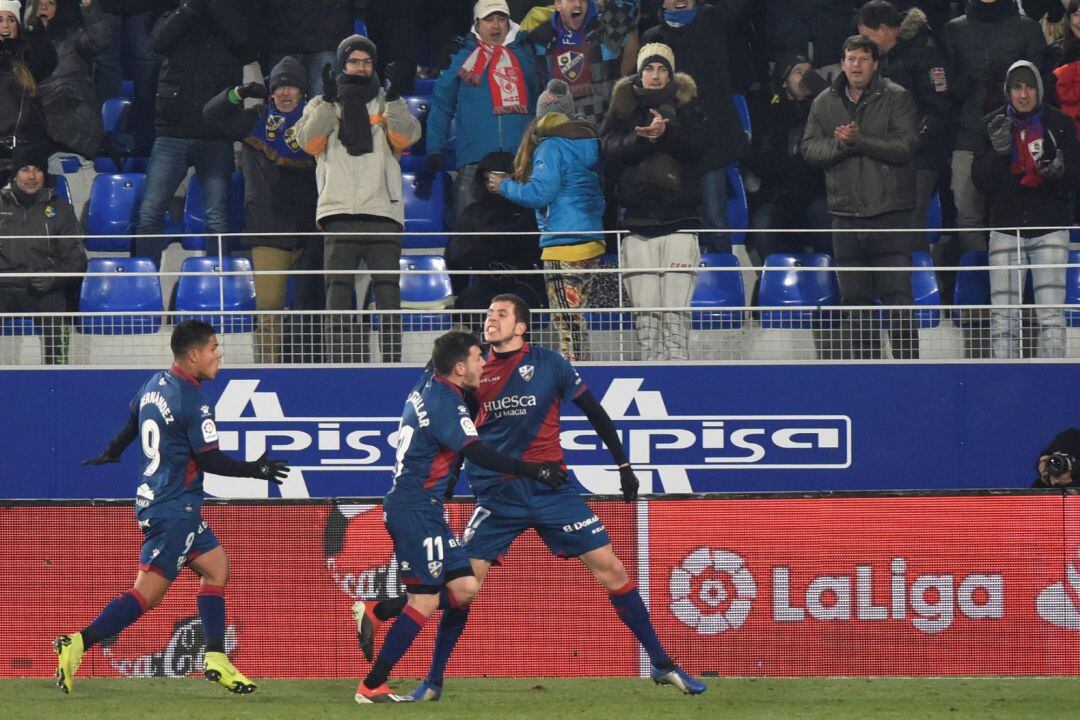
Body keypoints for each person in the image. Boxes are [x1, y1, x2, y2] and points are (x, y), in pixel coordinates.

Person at [357, 294, 706, 702]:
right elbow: (459, 441)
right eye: (489, 312)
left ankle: (661, 663)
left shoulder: (551, 364)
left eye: (501, 314)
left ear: (521, 326)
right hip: (497, 495)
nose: (490, 319)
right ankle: (432, 680)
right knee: (464, 588)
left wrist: (624, 465)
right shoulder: (471, 371)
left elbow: (595, 412)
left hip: (552, 491)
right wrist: (447, 487)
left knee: (612, 569)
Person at [56, 320, 290, 695]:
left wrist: (112, 452)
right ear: (194, 355)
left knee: (216, 567)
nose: (219, 355)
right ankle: (78, 642)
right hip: (174, 508)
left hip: (162, 502)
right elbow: (210, 460)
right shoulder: (194, 401)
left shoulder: (154, 384)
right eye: (213, 348)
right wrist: (255, 469)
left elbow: (132, 423)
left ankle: (216, 657)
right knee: (146, 595)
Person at [354, 330, 568, 703]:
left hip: (425, 507)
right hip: (415, 508)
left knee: (465, 588)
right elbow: (478, 453)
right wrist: (534, 470)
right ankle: (371, 686)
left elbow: (439, 356)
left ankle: (379, 609)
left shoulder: (429, 382)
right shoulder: (446, 404)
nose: (484, 364)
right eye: (476, 358)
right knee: (423, 601)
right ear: (458, 368)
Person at [294, 34, 421, 364]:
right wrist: (327, 102)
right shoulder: (320, 103)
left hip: (383, 211)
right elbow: (308, 142)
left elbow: (406, 138)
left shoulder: (387, 101)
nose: (361, 68)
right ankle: (342, 367)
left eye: (367, 62)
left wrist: (395, 99)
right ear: (342, 64)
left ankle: (392, 365)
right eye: (354, 62)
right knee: (337, 296)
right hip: (339, 211)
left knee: (389, 298)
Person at [802, 34, 920, 360]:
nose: (856, 65)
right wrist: (842, 145)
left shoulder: (898, 97)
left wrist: (860, 140)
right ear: (842, 63)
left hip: (890, 213)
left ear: (875, 64)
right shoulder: (824, 102)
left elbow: (905, 146)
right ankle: (867, 372)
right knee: (855, 302)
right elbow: (809, 149)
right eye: (851, 59)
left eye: (863, 59)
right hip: (845, 216)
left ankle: (909, 371)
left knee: (898, 298)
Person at [203, 56, 318, 364]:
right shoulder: (254, 119)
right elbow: (211, 114)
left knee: (311, 311)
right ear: (270, 93)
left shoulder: (316, 123)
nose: (285, 92)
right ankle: (269, 369)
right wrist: (238, 93)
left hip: (309, 230)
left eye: (291, 86)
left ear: (303, 92)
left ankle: (311, 370)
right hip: (267, 229)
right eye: (279, 86)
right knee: (269, 310)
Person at [133, 0, 263, 269]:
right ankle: (142, 282)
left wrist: (216, 7)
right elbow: (157, 41)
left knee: (217, 217)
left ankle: (218, 284)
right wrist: (190, 8)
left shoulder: (232, 14)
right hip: (171, 131)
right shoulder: (177, 13)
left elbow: (246, 43)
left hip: (216, 133)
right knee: (150, 213)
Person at [600, 42, 707, 361]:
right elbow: (608, 148)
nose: (656, 75)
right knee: (646, 320)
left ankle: (679, 376)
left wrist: (666, 135)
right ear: (639, 73)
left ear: (671, 74)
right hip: (637, 224)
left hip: (681, 223)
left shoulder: (689, 106)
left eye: (662, 69)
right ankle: (653, 373)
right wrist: (641, 139)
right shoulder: (622, 107)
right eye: (649, 68)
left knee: (675, 316)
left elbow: (701, 149)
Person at [487, 79, 605, 361]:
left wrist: (505, 186)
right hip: (591, 241)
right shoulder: (589, 144)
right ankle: (581, 366)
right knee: (575, 316)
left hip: (564, 243)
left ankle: (574, 372)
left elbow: (541, 194)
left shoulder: (551, 146)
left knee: (565, 319)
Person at [972, 60, 1080, 359]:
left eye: (1030, 87)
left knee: (1051, 317)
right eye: (1017, 87)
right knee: (1003, 318)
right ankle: (1003, 378)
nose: (1023, 94)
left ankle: (1051, 379)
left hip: (1050, 229)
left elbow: (1075, 178)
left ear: (1039, 89)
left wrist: (1060, 173)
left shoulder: (1060, 123)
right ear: (1008, 91)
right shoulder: (991, 124)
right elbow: (981, 183)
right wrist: (997, 153)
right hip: (1006, 230)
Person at [641, 0, 753, 253]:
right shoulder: (653, 38)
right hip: (671, 141)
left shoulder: (715, 22)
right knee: (677, 221)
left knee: (715, 217)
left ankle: (723, 271)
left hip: (712, 142)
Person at [943, 0, 1045, 275]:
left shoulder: (1028, 29)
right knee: (968, 218)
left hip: (1018, 136)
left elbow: (1039, 83)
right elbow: (946, 84)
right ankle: (978, 286)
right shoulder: (954, 29)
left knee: (1016, 215)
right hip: (966, 135)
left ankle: (1014, 286)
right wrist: (965, 86)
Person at [426, 0, 540, 229]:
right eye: (489, 19)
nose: (496, 25)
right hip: (474, 161)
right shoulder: (461, 56)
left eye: (501, 18)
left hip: (520, 160)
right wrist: (435, 149)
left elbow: (540, 101)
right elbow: (441, 105)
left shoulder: (527, 53)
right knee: (469, 231)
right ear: (477, 24)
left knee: (522, 233)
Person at [856, 1, 951, 253]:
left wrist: (910, 143)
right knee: (891, 225)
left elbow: (939, 107)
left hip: (920, 158)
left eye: (867, 36)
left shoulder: (926, 52)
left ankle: (917, 276)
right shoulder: (882, 59)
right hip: (888, 158)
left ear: (884, 29)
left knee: (909, 225)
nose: (864, 43)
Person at [0, 143, 86, 365]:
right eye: (25, 169)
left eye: (37, 170)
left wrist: (53, 277)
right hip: (3, 288)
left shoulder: (62, 210)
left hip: (44, 290)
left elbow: (77, 260)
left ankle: (57, 374)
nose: (32, 176)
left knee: (57, 313)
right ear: (14, 174)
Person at [745, 53, 832, 264]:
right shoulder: (769, 113)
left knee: (823, 215)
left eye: (809, 72)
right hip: (779, 194)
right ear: (784, 81)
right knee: (763, 223)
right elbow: (760, 160)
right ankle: (775, 279)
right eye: (798, 72)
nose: (805, 78)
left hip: (817, 193)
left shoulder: (826, 109)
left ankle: (833, 276)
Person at [445, 149, 545, 315]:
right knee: (473, 304)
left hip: (525, 284)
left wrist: (487, 239)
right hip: (484, 285)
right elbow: (458, 255)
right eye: (487, 179)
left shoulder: (529, 211)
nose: (492, 185)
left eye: (500, 179)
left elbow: (532, 248)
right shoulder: (473, 212)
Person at [527, 0, 641, 127]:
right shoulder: (539, 40)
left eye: (583, 0)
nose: (578, 4)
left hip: (601, 129)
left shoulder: (604, 32)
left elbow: (626, 7)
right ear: (558, 4)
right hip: (558, 129)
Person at [26, 0, 109, 162]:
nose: (43, 7)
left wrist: (88, 5)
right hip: (35, 131)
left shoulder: (73, 37)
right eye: (38, 2)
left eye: (50, 3)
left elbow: (100, 38)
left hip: (73, 128)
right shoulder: (19, 45)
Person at [0, 0, 57, 183]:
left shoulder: (28, 58)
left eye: (11, 20)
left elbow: (48, 59)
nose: (5, 25)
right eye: (0, 20)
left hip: (27, 153)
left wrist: (34, 26)